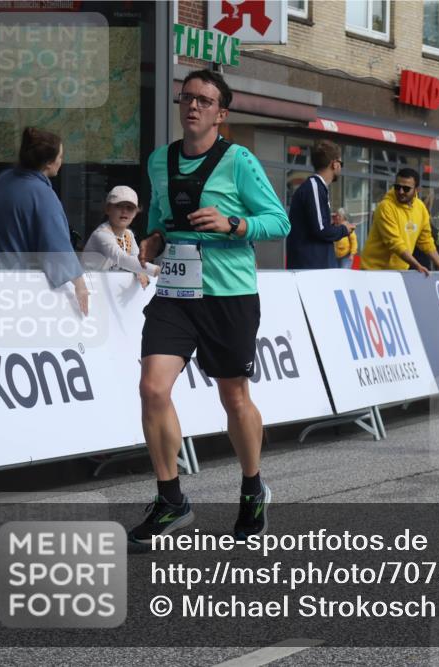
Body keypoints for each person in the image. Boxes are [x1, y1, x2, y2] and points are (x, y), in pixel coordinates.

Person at [131, 69, 290, 544]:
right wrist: (154, 239)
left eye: (204, 100)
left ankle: (252, 488)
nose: (192, 105)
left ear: (221, 114)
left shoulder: (239, 160)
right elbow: (162, 219)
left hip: (228, 294)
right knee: (152, 387)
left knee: (233, 397)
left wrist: (233, 223)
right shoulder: (160, 160)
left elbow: (278, 221)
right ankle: (171, 500)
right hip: (177, 294)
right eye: (187, 97)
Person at [0, 127, 88, 314]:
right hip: (15, 288)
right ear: (49, 163)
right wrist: (80, 283)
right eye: (60, 157)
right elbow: (57, 247)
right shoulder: (43, 195)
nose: (61, 162)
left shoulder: (4, 179)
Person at [360, 167, 439, 274]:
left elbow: (426, 241)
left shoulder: (420, 208)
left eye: (406, 188)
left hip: (399, 272)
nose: (401, 191)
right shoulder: (385, 207)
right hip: (374, 271)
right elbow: (395, 242)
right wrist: (417, 266)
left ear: (417, 190)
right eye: (397, 187)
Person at [286, 140, 355, 269]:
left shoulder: (316, 187)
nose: (341, 167)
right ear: (334, 164)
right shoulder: (314, 187)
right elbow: (321, 230)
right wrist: (343, 229)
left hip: (312, 267)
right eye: (341, 163)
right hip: (311, 269)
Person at [82, 186, 160, 287]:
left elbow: (136, 259)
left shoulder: (129, 234)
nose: (124, 211)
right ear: (108, 209)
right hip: (90, 287)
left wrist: (140, 271)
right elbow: (121, 258)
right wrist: (156, 270)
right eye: (119, 206)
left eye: (130, 208)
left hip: (107, 288)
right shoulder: (101, 234)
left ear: (136, 213)